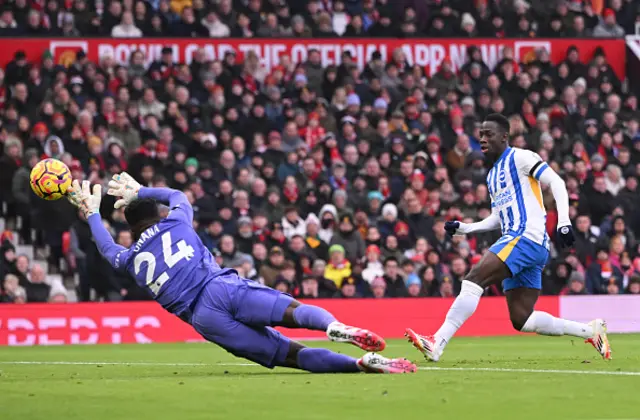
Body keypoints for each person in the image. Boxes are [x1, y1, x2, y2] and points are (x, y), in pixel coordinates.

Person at [67, 174, 416, 374]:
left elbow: (108, 251)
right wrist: (139, 191)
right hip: (219, 287)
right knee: (291, 311)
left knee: (288, 355)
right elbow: (177, 194)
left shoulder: (131, 258)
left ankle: (359, 365)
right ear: (157, 214)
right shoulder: (175, 219)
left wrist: (93, 214)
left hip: (204, 318)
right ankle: (332, 326)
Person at [405, 114, 612, 362]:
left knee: (473, 280)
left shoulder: (521, 157)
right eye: (480, 135)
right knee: (522, 319)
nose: (482, 139)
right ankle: (591, 330)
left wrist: (564, 222)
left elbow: (556, 182)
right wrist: (466, 229)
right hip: (527, 243)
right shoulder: (493, 175)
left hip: (525, 237)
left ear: (504, 136)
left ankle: (437, 342)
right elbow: (497, 218)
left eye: (488, 134)